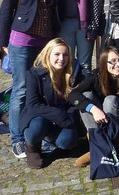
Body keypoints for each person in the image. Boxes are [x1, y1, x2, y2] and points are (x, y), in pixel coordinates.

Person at [0, 0, 62, 159]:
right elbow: (6, 8)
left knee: (43, 88)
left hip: (44, 43)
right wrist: (3, 42)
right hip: (22, 40)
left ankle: (38, 132)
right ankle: (17, 139)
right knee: (21, 89)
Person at [69, 46, 119, 167]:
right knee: (86, 96)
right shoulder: (97, 77)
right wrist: (93, 109)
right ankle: (99, 145)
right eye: (112, 61)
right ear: (104, 63)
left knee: (110, 100)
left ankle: (113, 146)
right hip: (102, 123)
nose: (118, 64)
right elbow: (73, 94)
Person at [20, 38, 79, 168]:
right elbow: (33, 104)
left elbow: (75, 101)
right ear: (48, 54)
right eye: (57, 54)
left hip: (62, 119)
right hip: (39, 117)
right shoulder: (34, 74)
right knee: (38, 126)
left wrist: (70, 116)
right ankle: (32, 147)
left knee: (68, 141)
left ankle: (55, 145)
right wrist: (60, 115)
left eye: (65, 55)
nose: (61, 58)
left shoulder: (73, 73)